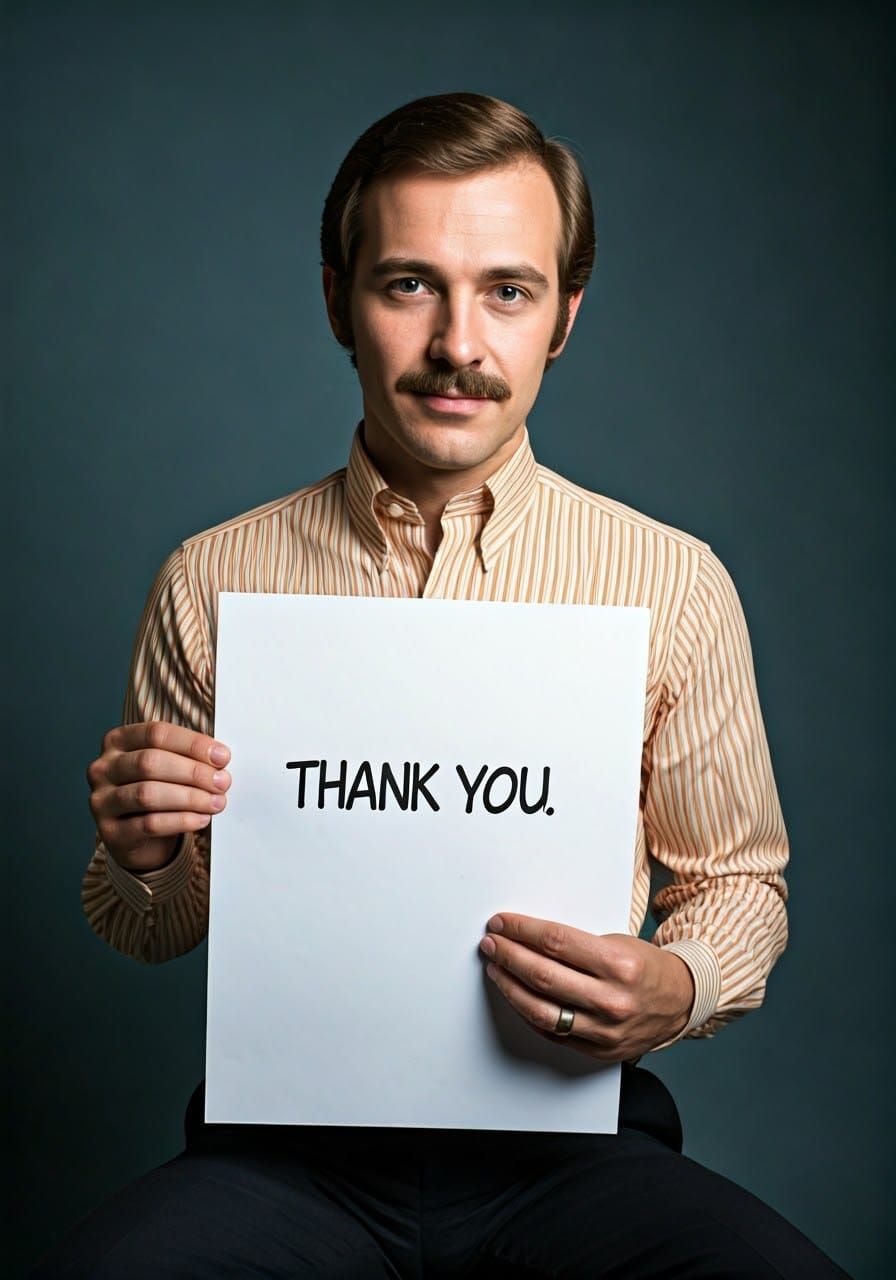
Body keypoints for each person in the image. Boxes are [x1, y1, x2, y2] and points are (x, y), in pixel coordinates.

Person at [35, 93, 849, 1277]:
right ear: (337, 301)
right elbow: (146, 926)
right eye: (409, 283)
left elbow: (735, 881)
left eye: (507, 290)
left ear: (564, 315)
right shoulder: (210, 577)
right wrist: (146, 852)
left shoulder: (672, 583)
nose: (458, 342)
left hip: (573, 1148)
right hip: (280, 1157)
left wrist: (679, 984)